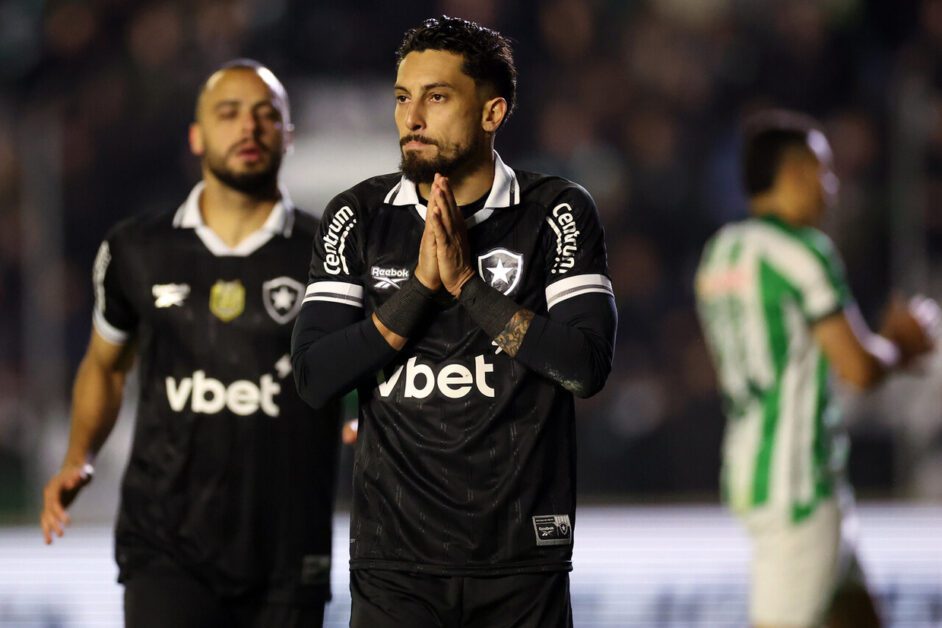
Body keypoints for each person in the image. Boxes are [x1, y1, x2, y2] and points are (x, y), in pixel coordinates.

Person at [292, 15, 617, 628]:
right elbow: (313, 375)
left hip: (522, 560)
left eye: (436, 97)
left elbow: (584, 365)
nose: (411, 118)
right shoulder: (357, 216)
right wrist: (418, 291)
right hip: (395, 567)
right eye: (402, 98)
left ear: (492, 113)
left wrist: (469, 287)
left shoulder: (556, 211)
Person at [40, 59, 342, 628]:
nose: (248, 129)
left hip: (286, 551)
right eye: (229, 113)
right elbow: (106, 366)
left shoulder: (331, 253)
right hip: (165, 547)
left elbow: (367, 368)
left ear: (289, 136)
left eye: (265, 116)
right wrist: (79, 458)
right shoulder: (136, 249)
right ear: (197, 136)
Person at [695, 109, 939, 628]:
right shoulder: (803, 251)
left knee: (859, 618)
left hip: (752, 464)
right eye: (823, 171)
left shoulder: (720, 253)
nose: (831, 187)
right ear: (795, 174)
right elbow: (858, 369)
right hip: (798, 485)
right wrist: (900, 345)